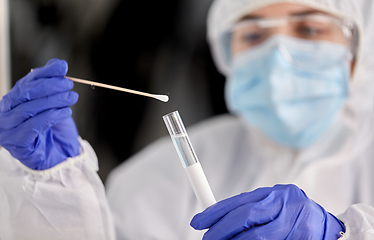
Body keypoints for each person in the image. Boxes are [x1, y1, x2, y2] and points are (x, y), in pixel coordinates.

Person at [1, 0, 374, 240]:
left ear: (360, 47)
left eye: (309, 29)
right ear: (226, 54)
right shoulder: (157, 177)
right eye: (255, 34)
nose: (277, 58)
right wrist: (52, 190)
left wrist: (341, 235)